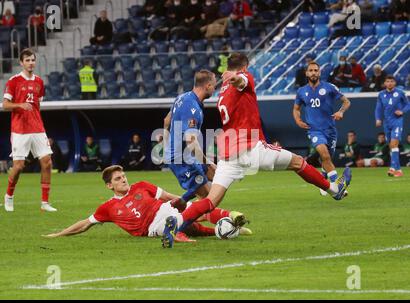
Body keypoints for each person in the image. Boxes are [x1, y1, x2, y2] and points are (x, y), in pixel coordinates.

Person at [162, 53, 352, 248]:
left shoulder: (222, 92)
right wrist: (235, 76)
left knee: (211, 200)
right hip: (251, 146)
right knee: (298, 162)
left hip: (228, 154)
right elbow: (241, 81)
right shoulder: (245, 77)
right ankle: (334, 189)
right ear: (245, 66)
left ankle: (175, 224)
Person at [43, 165, 250, 244]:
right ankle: (225, 225)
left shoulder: (141, 185)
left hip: (166, 210)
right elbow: (85, 223)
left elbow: (169, 197)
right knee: (194, 217)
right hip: (152, 227)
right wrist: (59, 234)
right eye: (118, 179)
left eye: (123, 176)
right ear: (109, 186)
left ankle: (229, 224)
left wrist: (182, 204)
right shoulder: (107, 208)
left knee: (193, 212)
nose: (123, 180)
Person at [2, 48, 57, 212]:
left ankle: (45, 203)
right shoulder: (13, 81)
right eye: (27, 60)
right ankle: (9, 196)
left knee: (47, 162)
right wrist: (19, 105)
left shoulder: (39, 81)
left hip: (38, 128)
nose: (31, 63)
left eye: (33, 60)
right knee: (18, 166)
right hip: (20, 130)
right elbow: (5, 105)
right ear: (21, 62)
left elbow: (37, 102)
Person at [294, 60, 352, 196]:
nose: (313, 73)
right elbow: (296, 108)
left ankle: (324, 180)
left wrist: (341, 112)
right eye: (311, 70)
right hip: (314, 130)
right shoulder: (301, 91)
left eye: (316, 70)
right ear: (306, 73)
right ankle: (338, 187)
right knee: (324, 154)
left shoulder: (329, 87)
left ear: (319, 73)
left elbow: (346, 101)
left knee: (327, 160)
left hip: (330, 130)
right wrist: (298, 120)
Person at [164, 70, 218, 206]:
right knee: (208, 202)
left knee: (215, 176)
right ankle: (176, 219)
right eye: (214, 86)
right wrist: (207, 162)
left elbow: (166, 121)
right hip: (180, 159)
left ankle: (182, 201)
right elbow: (191, 141)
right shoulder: (192, 107)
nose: (215, 89)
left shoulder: (182, 98)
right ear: (207, 86)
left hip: (184, 155)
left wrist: (169, 144)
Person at [375, 75, 410, 177]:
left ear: (394, 83)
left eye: (391, 81)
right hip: (387, 123)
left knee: (394, 144)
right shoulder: (381, 94)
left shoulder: (400, 93)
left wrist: (402, 111)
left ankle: (395, 168)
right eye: (387, 81)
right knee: (391, 146)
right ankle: (396, 169)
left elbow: (408, 104)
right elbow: (378, 108)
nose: (389, 83)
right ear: (385, 83)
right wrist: (378, 118)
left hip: (397, 122)